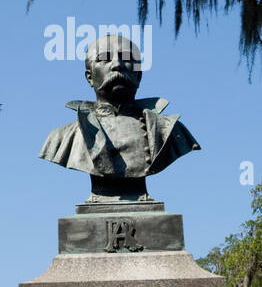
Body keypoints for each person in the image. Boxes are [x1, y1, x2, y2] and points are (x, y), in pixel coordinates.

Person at [39, 33, 199, 201]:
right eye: (105, 59)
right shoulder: (62, 137)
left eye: (127, 58)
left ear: (138, 75)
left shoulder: (171, 131)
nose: (117, 65)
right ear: (89, 77)